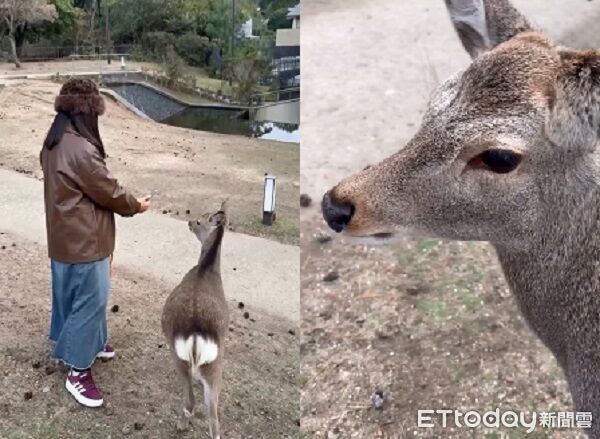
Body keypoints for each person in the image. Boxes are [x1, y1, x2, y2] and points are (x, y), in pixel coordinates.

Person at [40, 78, 150, 407]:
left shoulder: (53, 141)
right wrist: (136, 205)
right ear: (87, 111)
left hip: (63, 238)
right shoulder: (81, 149)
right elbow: (109, 191)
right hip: (86, 242)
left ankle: (93, 344)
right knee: (91, 301)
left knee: (70, 296)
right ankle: (78, 370)